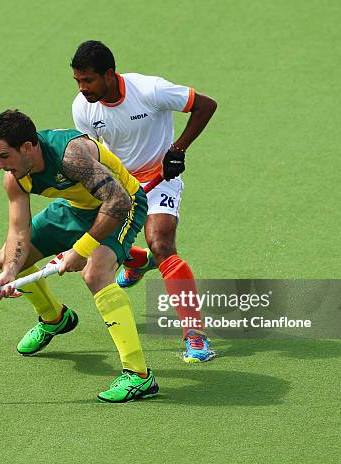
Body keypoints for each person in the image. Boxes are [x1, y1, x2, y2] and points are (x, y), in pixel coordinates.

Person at [0, 109, 159, 403]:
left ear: (27, 147)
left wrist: (81, 250)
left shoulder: (72, 156)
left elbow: (118, 200)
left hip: (122, 206)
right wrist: (10, 272)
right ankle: (55, 319)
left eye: (4, 156)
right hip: (74, 209)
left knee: (96, 273)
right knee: (7, 258)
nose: (0, 165)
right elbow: (19, 231)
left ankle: (139, 377)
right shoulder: (15, 178)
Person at [71, 40, 218, 362]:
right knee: (82, 238)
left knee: (162, 244)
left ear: (109, 74)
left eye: (89, 80)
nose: (83, 88)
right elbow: (92, 153)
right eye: (78, 81)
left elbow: (206, 105)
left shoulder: (150, 90)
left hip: (160, 178)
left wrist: (177, 149)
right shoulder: (83, 107)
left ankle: (195, 335)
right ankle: (136, 260)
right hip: (117, 185)